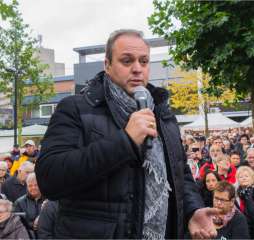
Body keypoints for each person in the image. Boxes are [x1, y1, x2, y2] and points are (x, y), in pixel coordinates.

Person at [35, 29, 218, 239]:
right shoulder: (76, 108)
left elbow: (180, 173)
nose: (137, 69)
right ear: (107, 65)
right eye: (127, 61)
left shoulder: (162, 112)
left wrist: (192, 211)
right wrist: (125, 141)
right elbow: (50, 178)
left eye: (144, 61)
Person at [14, 173, 45, 238]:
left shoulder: (49, 200)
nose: (33, 188)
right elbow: (16, 222)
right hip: (28, 236)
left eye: (36, 185)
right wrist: (32, 225)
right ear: (27, 186)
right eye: (30, 186)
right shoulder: (19, 202)